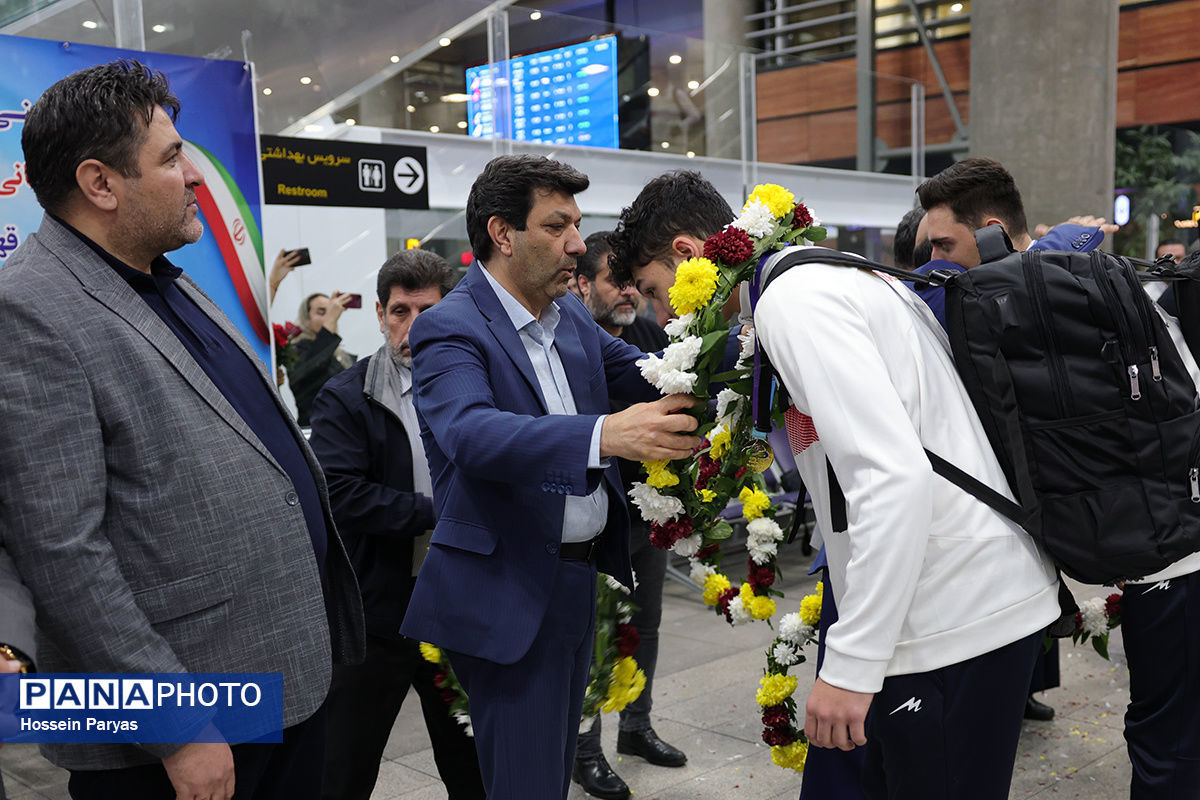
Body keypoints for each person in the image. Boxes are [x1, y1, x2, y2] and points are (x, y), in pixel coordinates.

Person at [610, 170, 1061, 800]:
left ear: (686, 254)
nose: (664, 315)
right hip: (942, 602)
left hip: (949, 616)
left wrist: (851, 667)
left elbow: (890, 478)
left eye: (658, 293)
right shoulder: (825, 275)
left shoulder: (796, 299)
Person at [0, 60, 364, 800]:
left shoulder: (165, 274)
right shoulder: (29, 311)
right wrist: (176, 725)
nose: (194, 175)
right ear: (101, 183)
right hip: (187, 725)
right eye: (170, 159)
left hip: (280, 676)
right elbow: (62, 553)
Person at [399, 154, 701, 800]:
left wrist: (757, 332)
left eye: (577, 225)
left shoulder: (570, 326)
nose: (576, 245)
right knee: (526, 785)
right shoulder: (450, 330)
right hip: (508, 593)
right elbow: (472, 433)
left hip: (574, 581)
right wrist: (606, 434)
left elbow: (657, 372)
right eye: (557, 225)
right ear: (503, 234)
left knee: (548, 777)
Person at [309, 250, 484, 800]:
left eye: (426, 310)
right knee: (346, 766)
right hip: (376, 615)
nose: (412, 326)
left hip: (458, 603)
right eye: (400, 311)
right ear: (381, 314)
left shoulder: (477, 387)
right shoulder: (347, 396)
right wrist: (439, 511)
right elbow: (341, 495)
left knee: (471, 763)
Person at [571, 233, 685, 800]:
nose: (627, 293)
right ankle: (584, 750)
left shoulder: (645, 336)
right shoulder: (568, 344)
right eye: (613, 281)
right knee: (595, 636)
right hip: (596, 522)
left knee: (647, 624)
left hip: (650, 513)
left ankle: (636, 729)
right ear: (581, 284)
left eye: (632, 284)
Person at [288, 291, 357, 426]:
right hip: (315, 432)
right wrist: (330, 320)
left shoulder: (339, 354)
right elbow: (313, 368)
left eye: (331, 312)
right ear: (306, 317)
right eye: (321, 312)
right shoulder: (295, 350)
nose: (328, 317)